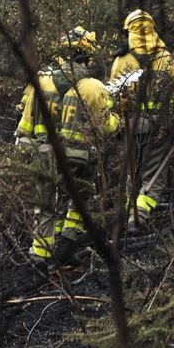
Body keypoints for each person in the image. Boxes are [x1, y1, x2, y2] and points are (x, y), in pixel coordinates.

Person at [21, 28, 92, 262]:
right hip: (77, 155)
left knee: (45, 205)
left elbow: (25, 124)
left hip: (42, 154)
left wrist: (25, 150)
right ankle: (69, 240)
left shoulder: (39, 82)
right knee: (81, 195)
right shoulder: (90, 87)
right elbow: (106, 124)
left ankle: (40, 257)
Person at [110, 9, 174, 232]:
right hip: (159, 127)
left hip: (131, 128)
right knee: (154, 175)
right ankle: (139, 217)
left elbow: (113, 98)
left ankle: (132, 215)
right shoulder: (165, 58)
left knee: (134, 173)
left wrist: (118, 122)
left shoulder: (121, 61)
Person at [53, 59, 120, 265]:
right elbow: (105, 125)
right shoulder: (95, 88)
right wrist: (118, 120)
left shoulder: (70, 91)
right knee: (82, 200)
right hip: (82, 153)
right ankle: (66, 245)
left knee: (63, 197)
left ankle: (55, 244)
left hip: (62, 151)